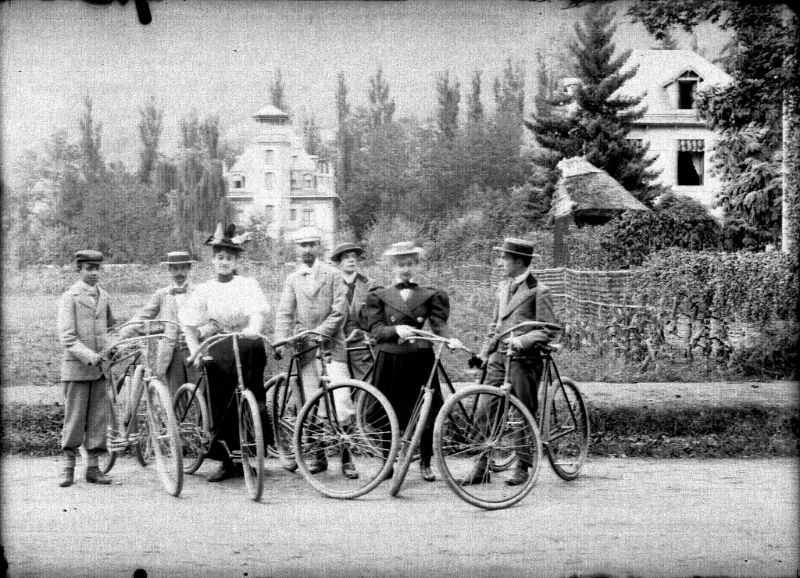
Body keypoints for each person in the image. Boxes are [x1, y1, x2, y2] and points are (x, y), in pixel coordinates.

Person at [462, 237, 560, 487]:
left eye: (505, 258)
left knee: (522, 412)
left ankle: (523, 466)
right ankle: (482, 466)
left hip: (523, 360)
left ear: (518, 261)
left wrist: (522, 340)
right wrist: (483, 354)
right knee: (486, 408)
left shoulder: (539, 290)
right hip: (498, 359)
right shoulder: (503, 288)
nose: (501, 262)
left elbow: (548, 329)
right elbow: (495, 326)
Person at [363, 241, 462, 482]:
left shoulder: (429, 294)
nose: (405, 269)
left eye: (409, 264)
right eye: (400, 264)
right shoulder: (379, 295)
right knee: (389, 409)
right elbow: (375, 329)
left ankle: (426, 463)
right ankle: (387, 463)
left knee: (428, 410)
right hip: (390, 358)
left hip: (420, 358)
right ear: (392, 266)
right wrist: (396, 330)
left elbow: (439, 325)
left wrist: (450, 339)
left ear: (416, 264)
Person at [180, 224, 270, 482]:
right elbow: (188, 321)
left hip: (245, 340)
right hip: (219, 343)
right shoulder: (205, 289)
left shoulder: (247, 284)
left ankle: (252, 450)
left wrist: (252, 329)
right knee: (220, 398)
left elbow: (257, 313)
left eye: (229, 258)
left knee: (251, 394)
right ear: (213, 260)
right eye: (220, 257)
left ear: (235, 261)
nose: (224, 262)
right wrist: (195, 350)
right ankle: (227, 460)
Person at [275, 226, 356, 478]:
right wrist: (280, 338)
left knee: (340, 401)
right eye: (302, 245)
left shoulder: (333, 275)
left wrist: (320, 332)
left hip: (332, 347)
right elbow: (285, 312)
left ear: (319, 247)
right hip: (307, 350)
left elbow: (340, 311)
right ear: (296, 249)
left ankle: (347, 457)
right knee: (312, 403)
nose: (307, 249)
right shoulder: (292, 279)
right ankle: (318, 456)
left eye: (312, 244)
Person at [57, 249, 118, 487]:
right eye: (88, 269)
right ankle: (68, 468)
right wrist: (90, 356)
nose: (93, 273)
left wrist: (113, 348)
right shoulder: (69, 297)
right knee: (74, 418)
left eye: (96, 269)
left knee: (98, 419)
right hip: (77, 369)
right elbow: (67, 337)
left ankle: (93, 468)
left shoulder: (104, 296)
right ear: (79, 270)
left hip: (101, 369)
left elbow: (112, 327)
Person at [121, 251, 197, 398]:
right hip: (172, 352)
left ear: (188, 269)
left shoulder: (199, 292)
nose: (179, 273)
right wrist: (127, 328)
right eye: (175, 269)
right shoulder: (162, 294)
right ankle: (176, 420)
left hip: (194, 350)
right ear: (169, 270)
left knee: (201, 394)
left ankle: (202, 421)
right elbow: (145, 314)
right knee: (175, 397)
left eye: (182, 268)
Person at [330, 242, 373, 381]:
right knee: (337, 388)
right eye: (346, 257)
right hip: (336, 343)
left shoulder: (368, 285)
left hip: (360, 343)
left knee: (366, 384)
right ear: (338, 262)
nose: (351, 260)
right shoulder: (330, 285)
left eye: (354, 256)